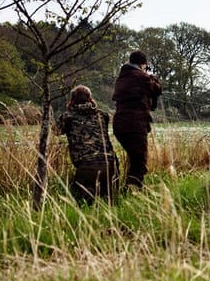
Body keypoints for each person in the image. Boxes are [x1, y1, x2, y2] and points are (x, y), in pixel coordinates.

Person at [57, 85, 119, 205]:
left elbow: (56, 131)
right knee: (109, 201)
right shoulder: (103, 115)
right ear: (90, 98)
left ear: (72, 100)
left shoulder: (68, 116)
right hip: (110, 165)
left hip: (86, 166)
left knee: (84, 201)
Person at [112, 50, 162, 190]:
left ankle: (128, 187)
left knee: (134, 158)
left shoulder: (122, 77)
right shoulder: (142, 77)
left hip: (119, 124)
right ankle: (132, 191)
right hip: (135, 125)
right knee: (139, 161)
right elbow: (157, 90)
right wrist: (152, 76)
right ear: (143, 64)